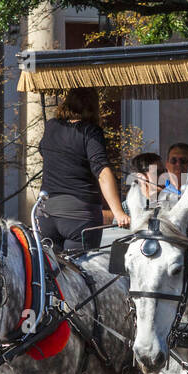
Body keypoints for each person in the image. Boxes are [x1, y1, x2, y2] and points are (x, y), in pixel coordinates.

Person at [36, 88, 129, 253]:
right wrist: (118, 212)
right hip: (79, 217)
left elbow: (44, 153)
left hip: (46, 214)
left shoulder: (51, 126)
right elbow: (102, 172)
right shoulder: (90, 131)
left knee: (51, 275)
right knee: (81, 272)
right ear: (94, 106)